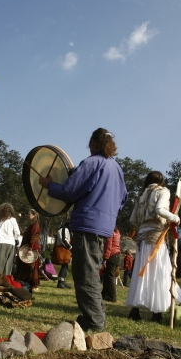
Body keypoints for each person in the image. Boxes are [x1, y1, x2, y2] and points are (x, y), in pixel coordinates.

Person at [39, 128, 128, 332]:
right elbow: (123, 198)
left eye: (90, 144)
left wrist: (49, 184)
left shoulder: (91, 163)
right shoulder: (116, 168)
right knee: (92, 273)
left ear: (94, 143)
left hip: (88, 224)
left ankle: (93, 322)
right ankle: (95, 317)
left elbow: (69, 191)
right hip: (104, 227)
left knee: (85, 275)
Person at [125, 171, 181, 322]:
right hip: (155, 235)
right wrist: (174, 218)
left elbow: (133, 218)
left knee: (141, 270)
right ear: (162, 181)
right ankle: (156, 312)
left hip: (142, 235)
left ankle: (135, 309)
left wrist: (143, 225)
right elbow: (159, 209)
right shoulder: (163, 191)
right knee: (159, 270)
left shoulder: (141, 194)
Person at [14, 209, 42, 292]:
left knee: (31, 266)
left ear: (34, 215)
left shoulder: (35, 225)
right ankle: (25, 282)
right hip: (28, 247)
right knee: (26, 266)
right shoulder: (32, 225)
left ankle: (33, 285)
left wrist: (31, 248)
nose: (27, 215)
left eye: (29, 214)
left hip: (32, 248)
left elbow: (34, 237)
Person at [101, 225, 121, 303]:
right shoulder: (117, 232)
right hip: (117, 254)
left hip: (112, 255)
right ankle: (104, 294)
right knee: (107, 275)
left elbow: (108, 246)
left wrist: (105, 258)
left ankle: (112, 297)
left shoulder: (110, 233)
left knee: (109, 277)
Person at [55, 220, 72, 289]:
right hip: (62, 249)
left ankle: (62, 281)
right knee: (64, 265)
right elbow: (64, 240)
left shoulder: (66, 229)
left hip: (64, 249)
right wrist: (70, 247)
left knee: (65, 266)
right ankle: (60, 283)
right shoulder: (64, 229)